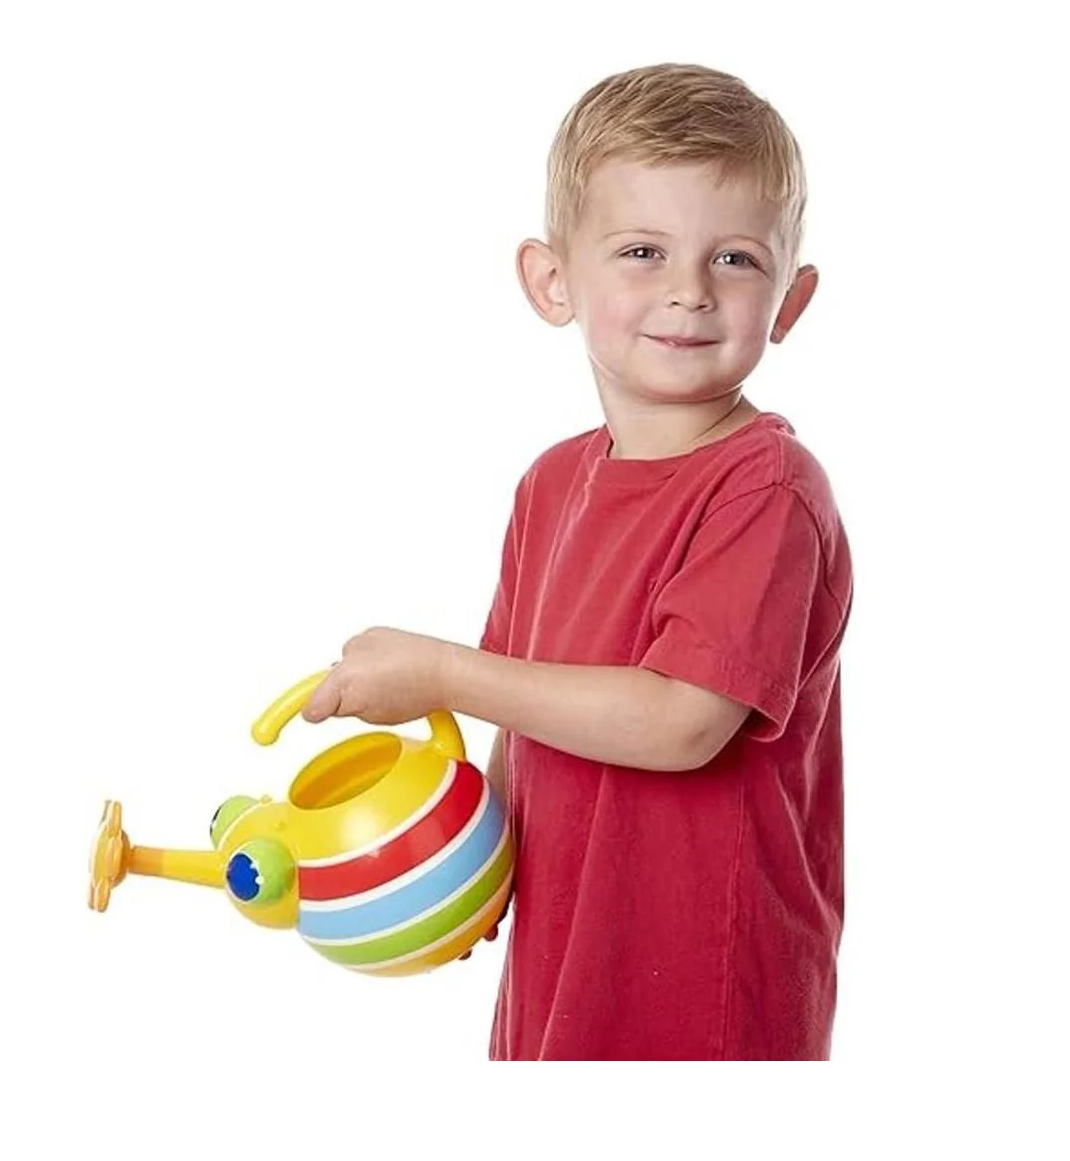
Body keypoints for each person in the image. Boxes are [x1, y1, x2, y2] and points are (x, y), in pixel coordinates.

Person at [301, 62, 853, 1060]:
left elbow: (683, 722)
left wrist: (439, 673)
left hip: (707, 993)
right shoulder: (550, 485)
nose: (689, 291)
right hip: (564, 964)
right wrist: (472, 862)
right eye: (644, 251)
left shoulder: (766, 490)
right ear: (552, 282)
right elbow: (524, 708)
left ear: (790, 299)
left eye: (735, 259)